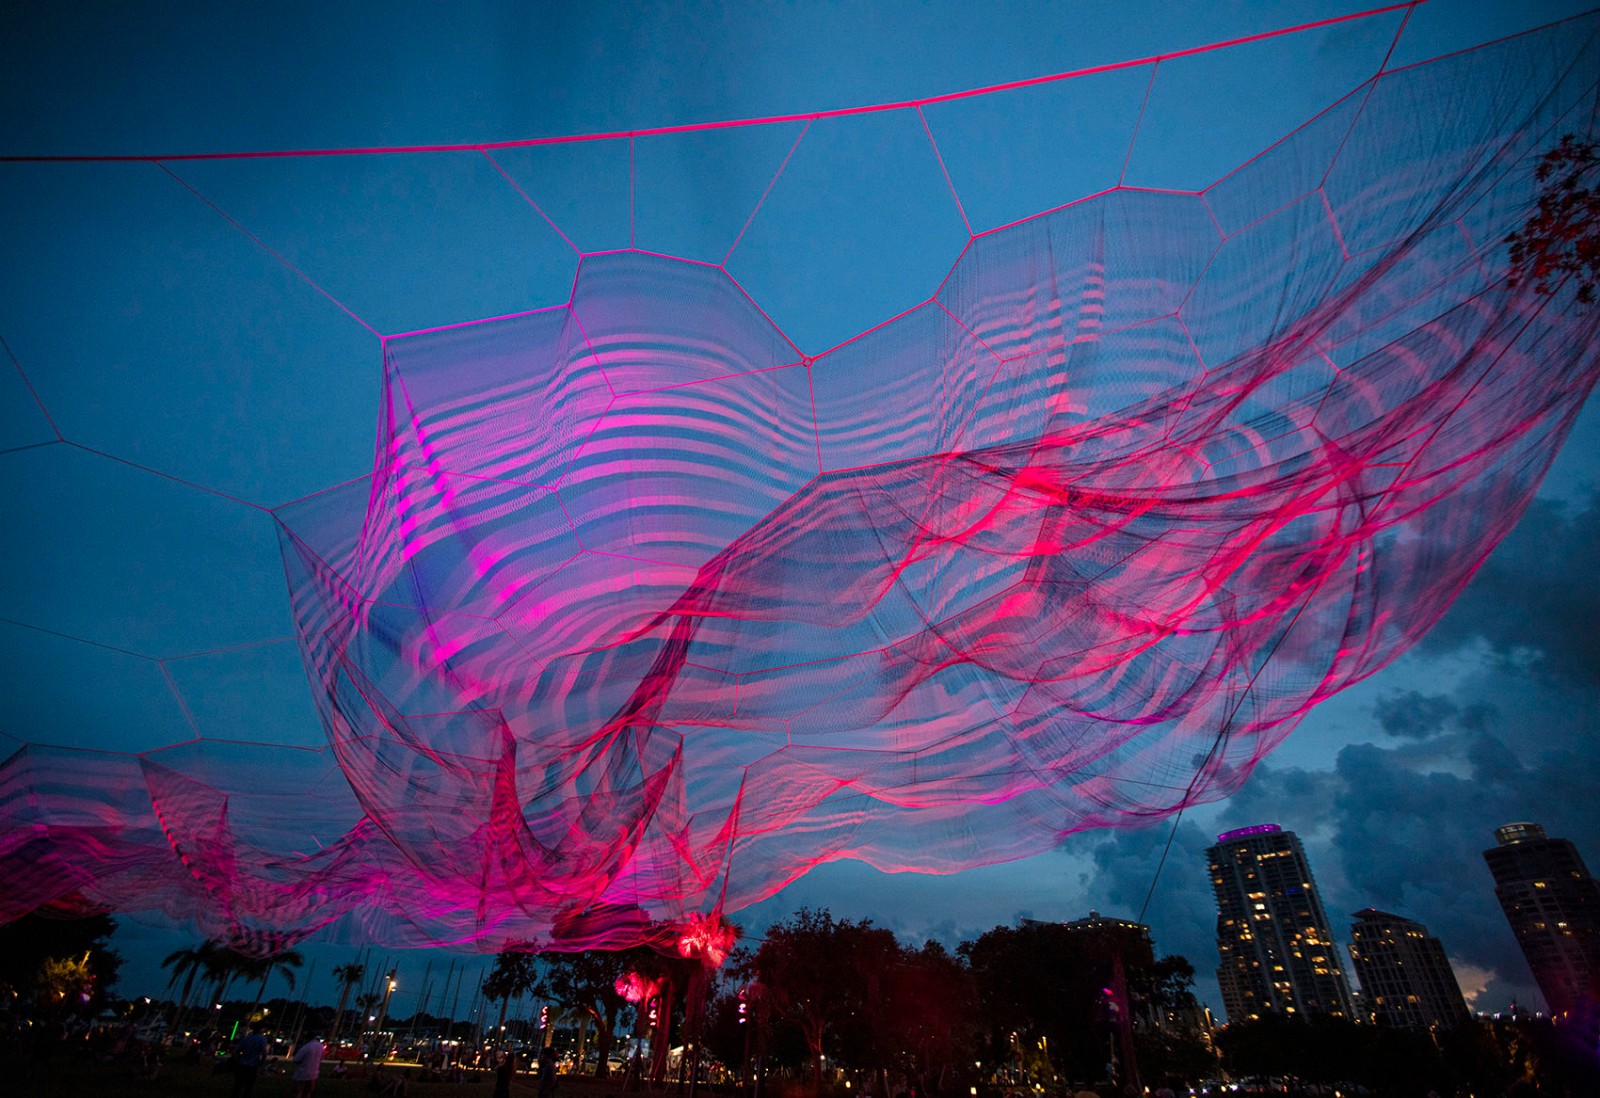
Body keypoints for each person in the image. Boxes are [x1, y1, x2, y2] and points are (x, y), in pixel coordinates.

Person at [231, 1024, 269, 1098]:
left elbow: (235, 1051)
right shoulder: (262, 1038)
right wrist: (261, 1062)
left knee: (237, 1085)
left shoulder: (247, 1038)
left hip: (242, 1063)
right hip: (252, 1065)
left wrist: (238, 1060)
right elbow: (264, 1052)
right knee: (249, 1086)